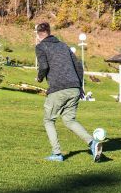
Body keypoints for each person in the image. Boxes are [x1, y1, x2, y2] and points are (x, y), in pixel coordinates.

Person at [34, 22, 102, 162]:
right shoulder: (64, 45)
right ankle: (92, 143)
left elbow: (44, 66)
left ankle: (57, 154)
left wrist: (39, 78)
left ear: (38, 34)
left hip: (58, 88)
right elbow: (78, 66)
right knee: (69, 120)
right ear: (49, 31)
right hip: (74, 88)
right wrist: (80, 87)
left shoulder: (41, 46)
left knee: (48, 120)